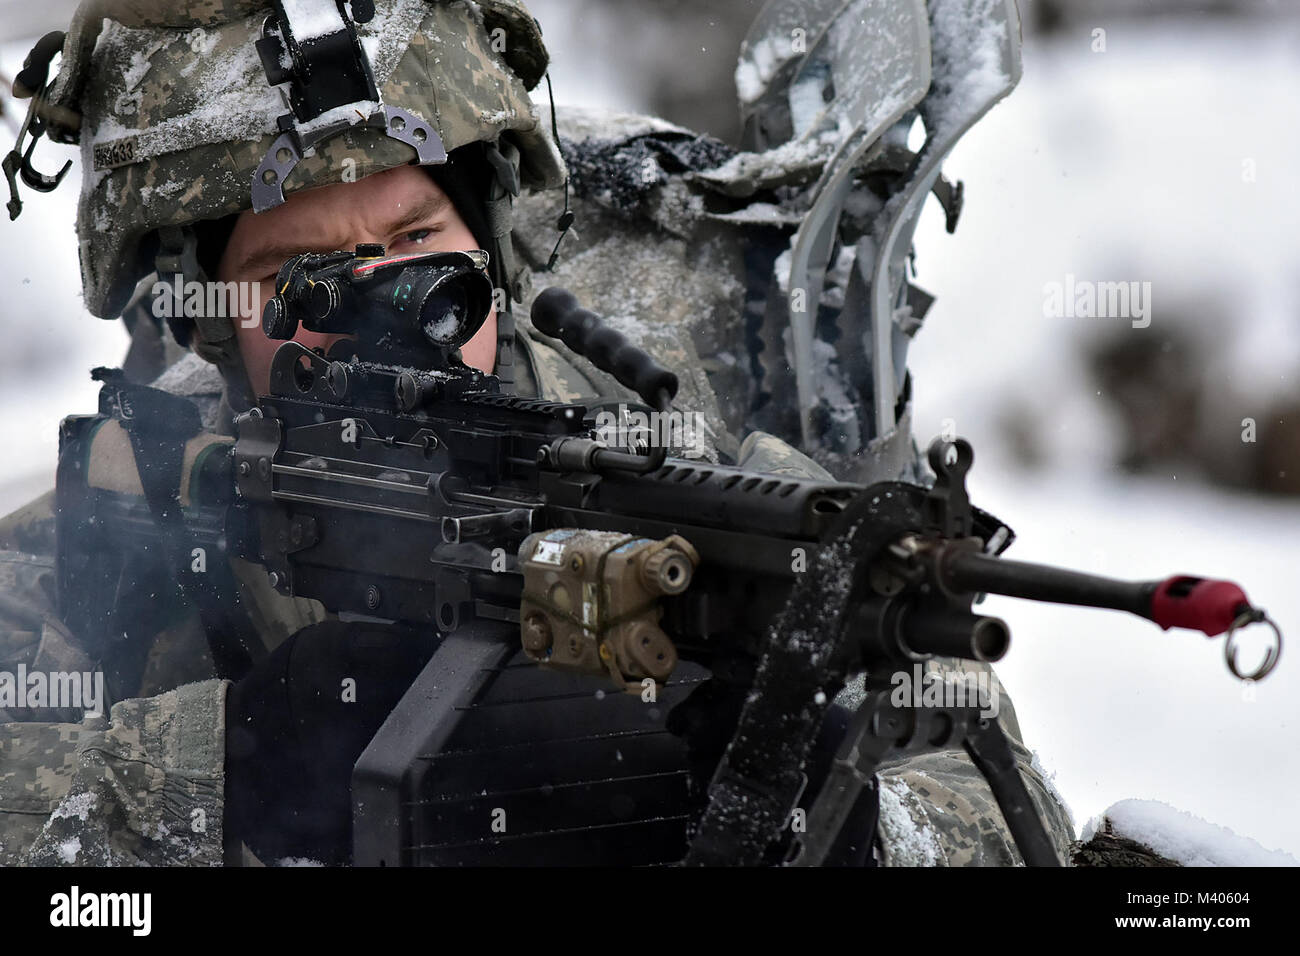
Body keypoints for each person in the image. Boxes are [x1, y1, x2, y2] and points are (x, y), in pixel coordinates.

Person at [0, 0, 1073, 866]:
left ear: (495, 252)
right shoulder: (130, 506)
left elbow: (1000, 806)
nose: (386, 301)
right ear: (207, 318)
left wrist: (829, 805)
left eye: (417, 235)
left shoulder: (674, 480)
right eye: (296, 273)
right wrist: (225, 771)